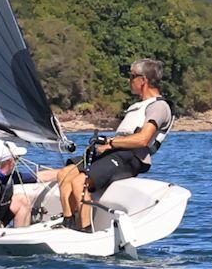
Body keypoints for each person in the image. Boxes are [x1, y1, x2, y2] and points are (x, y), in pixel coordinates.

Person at [59, 58, 172, 231]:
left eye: (132, 76)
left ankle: (85, 229)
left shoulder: (159, 107)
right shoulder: (139, 105)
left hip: (131, 157)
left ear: (143, 80)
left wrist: (110, 142)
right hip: (115, 152)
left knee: (79, 182)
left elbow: (142, 139)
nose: (129, 80)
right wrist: (109, 145)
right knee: (65, 175)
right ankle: (67, 221)